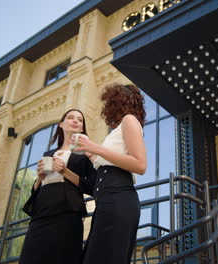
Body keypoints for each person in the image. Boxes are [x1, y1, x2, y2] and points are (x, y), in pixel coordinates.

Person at [74, 83, 147, 264]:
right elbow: (107, 163)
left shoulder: (129, 120)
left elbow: (140, 164)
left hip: (118, 199)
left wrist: (96, 148)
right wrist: (91, 153)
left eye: (110, 102)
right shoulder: (118, 130)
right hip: (107, 203)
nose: (107, 108)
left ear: (119, 102)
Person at [19, 109, 97, 264]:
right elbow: (35, 190)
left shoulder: (85, 153)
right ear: (61, 124)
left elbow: (92, 186)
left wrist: (64, 171)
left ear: (82, 128)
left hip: (67, 215)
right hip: (40, 216)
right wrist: (39, 179)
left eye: (80, 120)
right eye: (70, 118)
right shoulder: (49, 153)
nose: (75, 121)